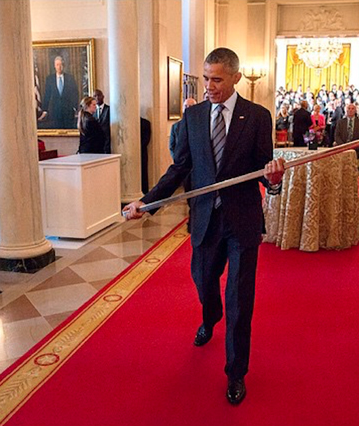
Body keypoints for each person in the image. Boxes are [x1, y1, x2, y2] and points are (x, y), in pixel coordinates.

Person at [123, 47, 285, 405]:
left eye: (217, 79)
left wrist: (273, 179)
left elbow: (264, 169)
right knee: (204, 282)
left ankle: (236, 373)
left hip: (242, 222)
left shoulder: (257, 116)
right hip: (204, 221)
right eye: (206, 77)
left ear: (235, 78)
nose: (209, 86)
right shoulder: (193, 117)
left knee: (241, 301)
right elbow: (179, 168)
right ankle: (210, 316)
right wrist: (145, 203)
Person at [40, 56, 79, 129]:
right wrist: (45, 110)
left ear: (63, 66)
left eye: (61, 65)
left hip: (68, 112)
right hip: (55, 112)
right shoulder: (50, 79)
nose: (59, 67)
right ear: (54, 66)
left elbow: (75, 94)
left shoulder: (70, 78)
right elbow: (47, 96)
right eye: (57, 65)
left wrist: (75, 108)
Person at [140, 117, 151, 194]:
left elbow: (146, 139)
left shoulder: (145, 123)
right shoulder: (128, 123)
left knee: (143, 173)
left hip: (142, 152)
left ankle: (145, 192)